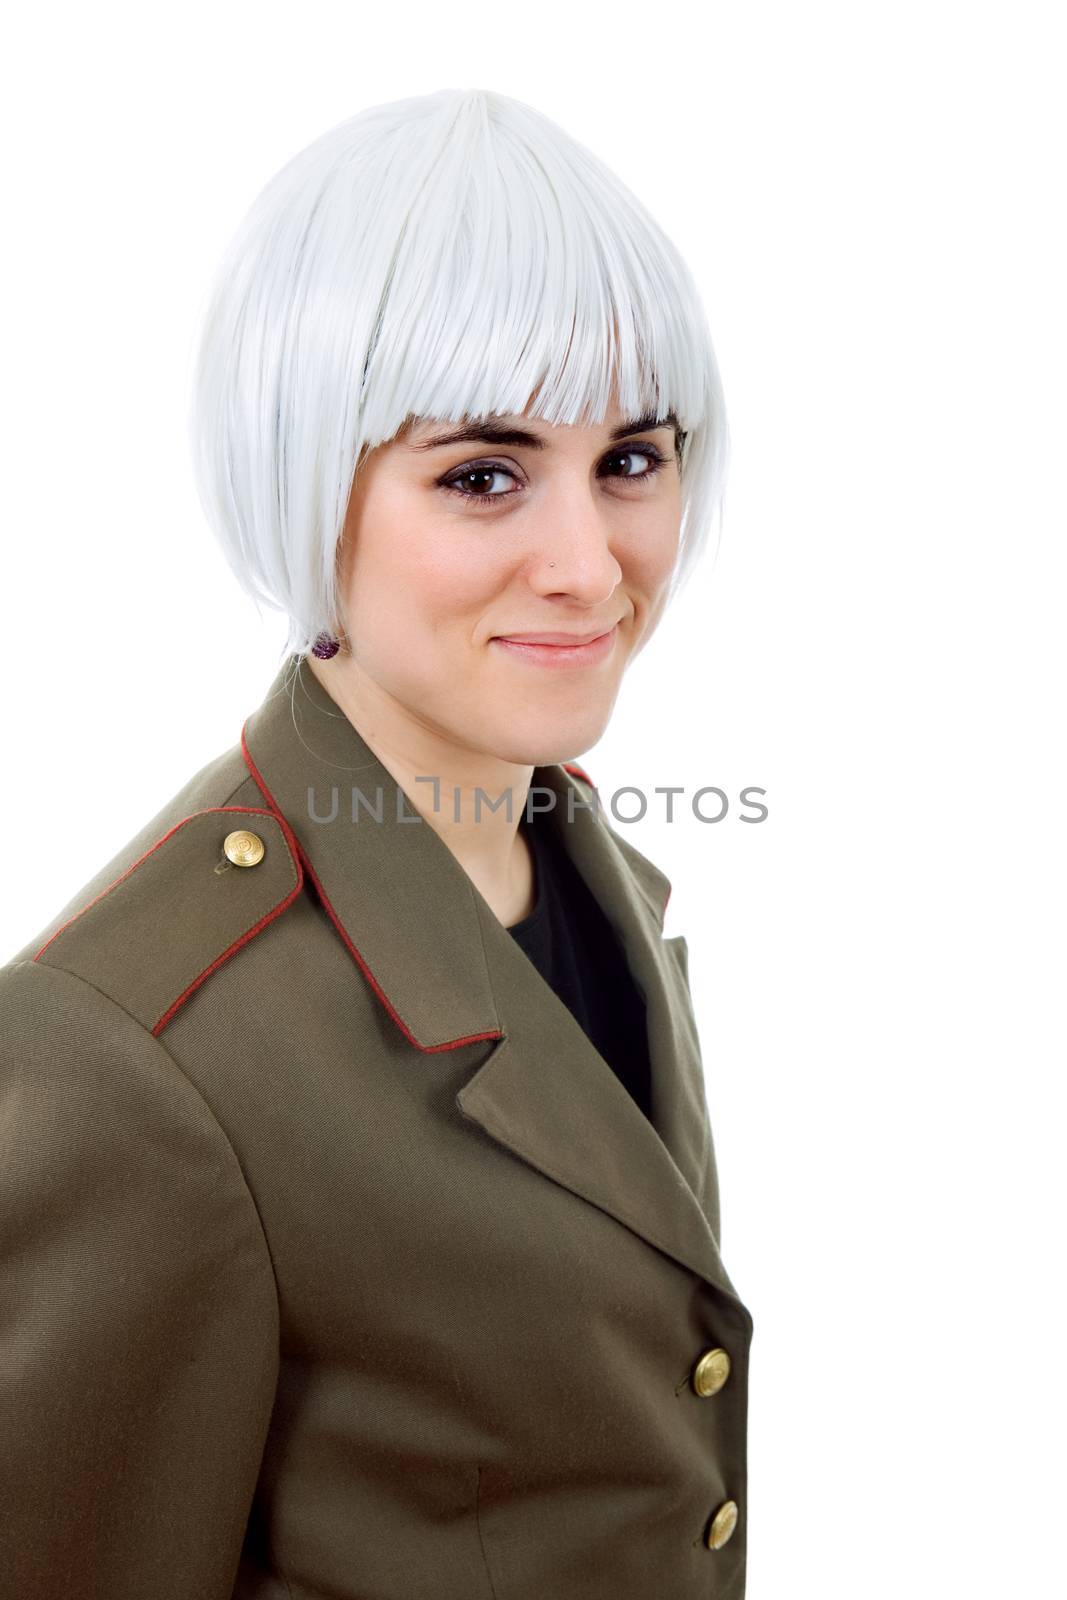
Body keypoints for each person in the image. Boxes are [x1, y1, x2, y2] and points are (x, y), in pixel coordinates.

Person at [0, 86, 754, 1599]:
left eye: (632, 459)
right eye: (484, 472)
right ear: (308, 486)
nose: (589, 563)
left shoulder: (580, 861)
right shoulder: (136, 1050)